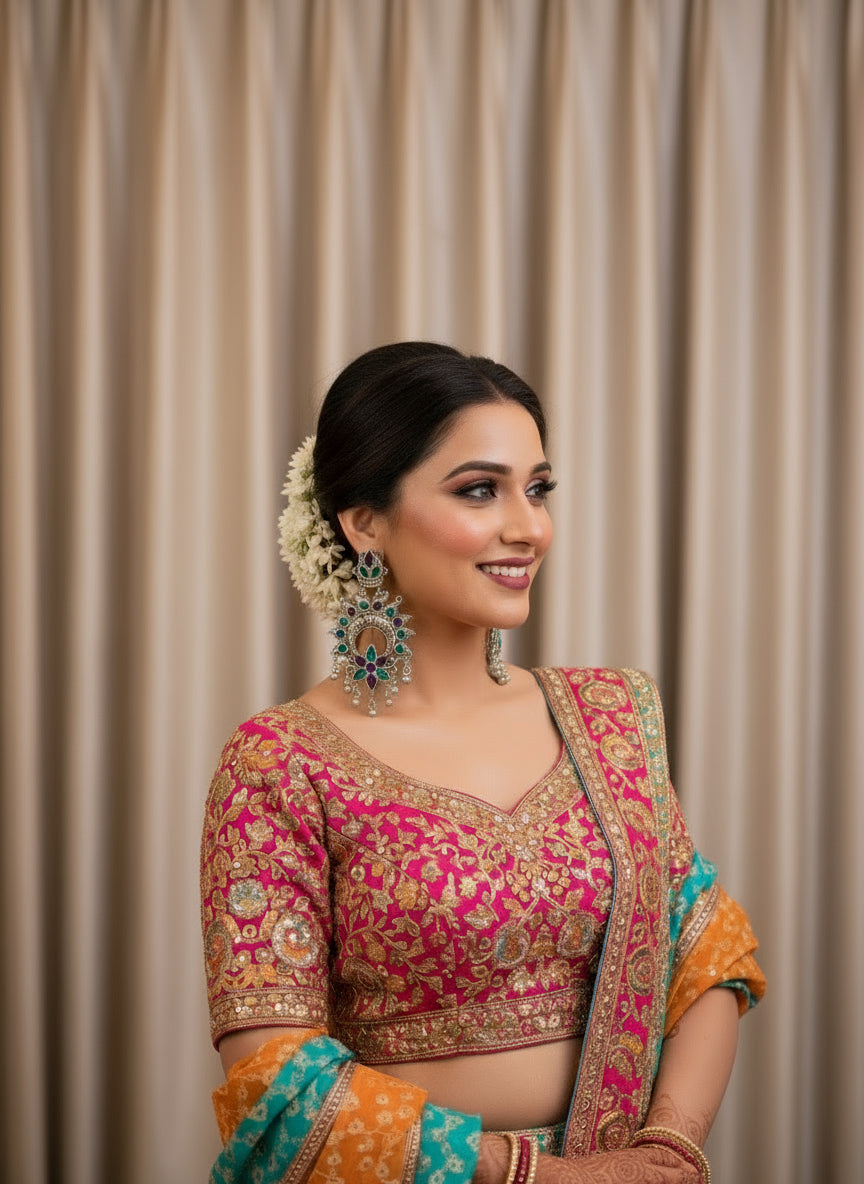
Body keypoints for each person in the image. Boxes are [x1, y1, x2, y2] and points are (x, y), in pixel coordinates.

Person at [201, 342, 765, 1184]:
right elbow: (279, 1086)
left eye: (537, 488)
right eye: (478, 490)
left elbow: (703, 946)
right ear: (364, 522)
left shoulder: (606, 718)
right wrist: (543, 1178)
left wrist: (667, 1152)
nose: (527, 526)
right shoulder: (280, 763)